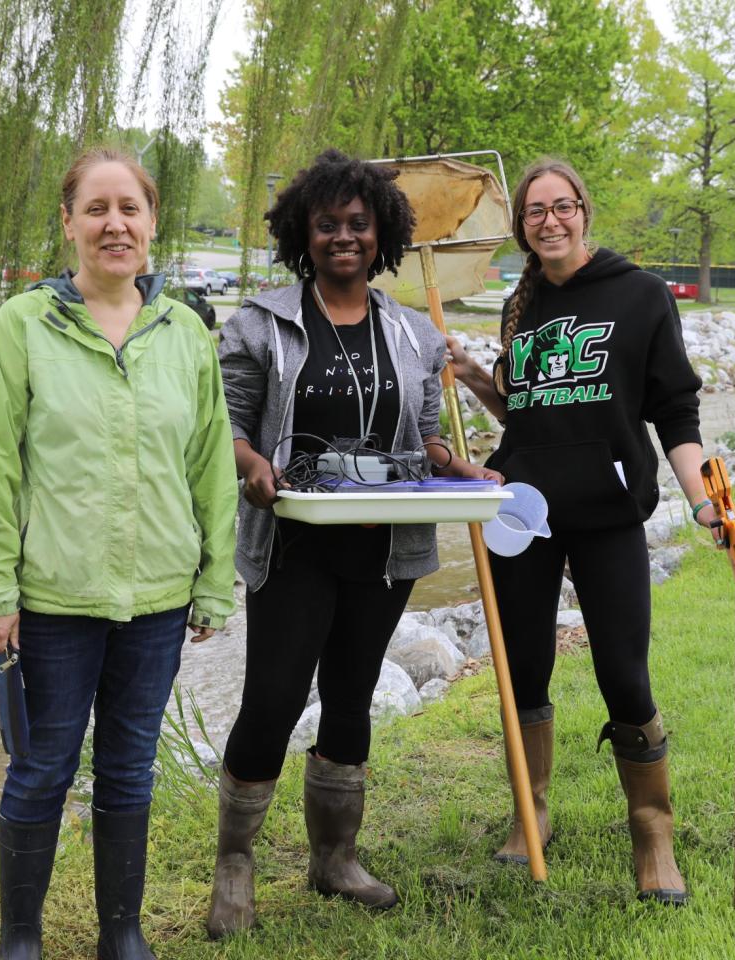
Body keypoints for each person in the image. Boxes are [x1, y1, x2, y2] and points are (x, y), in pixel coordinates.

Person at [0, 147, 238, 960]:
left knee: (128, 771)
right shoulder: (24, 326)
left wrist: (214, 582)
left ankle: (122, 931)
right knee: (41, 769)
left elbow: (211, 465)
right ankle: (21, 939)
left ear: (152, 225)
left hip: (155, 602)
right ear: (69, 224)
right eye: (97, 208)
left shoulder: (184, 333)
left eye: (131, 209)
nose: (115, 224)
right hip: (52, 602)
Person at [207, 149, 500, 936]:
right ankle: (234, 865)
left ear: (382, 235)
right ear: (304, 234)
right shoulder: (260, 323)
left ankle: (334, 860)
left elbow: (423, 441)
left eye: (358, 224)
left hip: (384, 549)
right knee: (271, 701)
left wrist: (461, 468)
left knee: (351, 696)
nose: (344, 235)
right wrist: (252, 466)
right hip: (296, 542)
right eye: (328, 223)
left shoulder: (411, 334)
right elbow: (226, 425)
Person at [446, 157, 714, 905]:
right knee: (521, 670)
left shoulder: (642, 296)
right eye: (535, 212)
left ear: (584, 211)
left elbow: (676, 412)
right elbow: (525, 412)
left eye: (562, 207)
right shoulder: (519, 303)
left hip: (607, 511)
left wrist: (701, 503)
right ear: (523, 227)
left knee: (624, 675)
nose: (550, 221)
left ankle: (652, 830)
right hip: (523, 512)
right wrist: (473, 376)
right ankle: (531, 811)